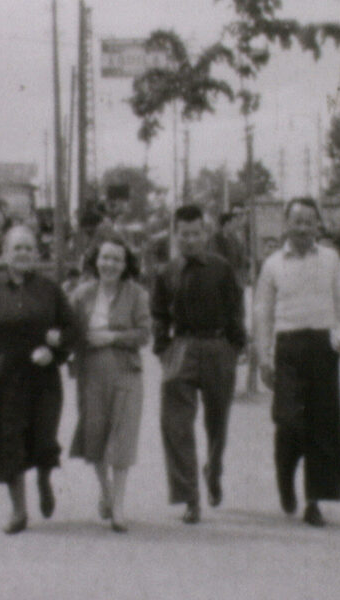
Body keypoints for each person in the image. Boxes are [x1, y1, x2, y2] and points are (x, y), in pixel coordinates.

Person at [0, 225, 78, 535]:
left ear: (36, 253)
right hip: (4, 379)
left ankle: (43, 478)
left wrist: (55, 352)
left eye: (29, 248)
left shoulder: (50, 289)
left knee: (43, 438)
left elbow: (72, 329)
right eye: (17, 248)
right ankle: (18, 511)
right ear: (5, 254)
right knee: (9, 442)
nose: (24, 253)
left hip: (43, 379)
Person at [253, 198, 340, 527]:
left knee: (323, 427)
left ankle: (314, 500)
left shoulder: (331, 261)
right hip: (287, 348)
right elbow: (262, 313)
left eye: (309, 222)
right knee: (289, 422)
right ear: (285, 225)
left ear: (318, 226)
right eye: (296, 221)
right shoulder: (272, 264)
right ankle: (285, 476)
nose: (303, 228)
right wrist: (264, 357)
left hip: (322, 348)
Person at [150, 204, 246, 524]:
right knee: (174, 424)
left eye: (195, 234)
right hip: (182, 347)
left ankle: (213, 469)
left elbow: (236, 309)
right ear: (175, 236)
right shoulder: (166, 273)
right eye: (184, 235)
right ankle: (190, 496)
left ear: (204, 234)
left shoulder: (221, 268)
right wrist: (164, 349)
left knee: (217, 422)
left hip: (219, 347)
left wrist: (235, 346)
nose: (190, 240)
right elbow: (159, 315)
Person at [68, 237, 151, 533]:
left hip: (125, 370)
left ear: (126, 264)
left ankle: (118, 506)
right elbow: (68, 329)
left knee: (122, 435)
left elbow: (144, 334)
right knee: (95, 433)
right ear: (95, 260)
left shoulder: (137, 294)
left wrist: (111, 338)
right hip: (90, 370)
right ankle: (104, 490)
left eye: (117, 259)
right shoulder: (81, 294)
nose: (109, 264)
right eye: (105, 258)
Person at [207, 211, 249, 288]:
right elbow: (214, 258)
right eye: (233, 223)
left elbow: (239, 257)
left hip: (233, 276)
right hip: (220, 277)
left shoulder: (233, 239)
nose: (235, 226)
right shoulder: (215, 239)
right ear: (226, 224)